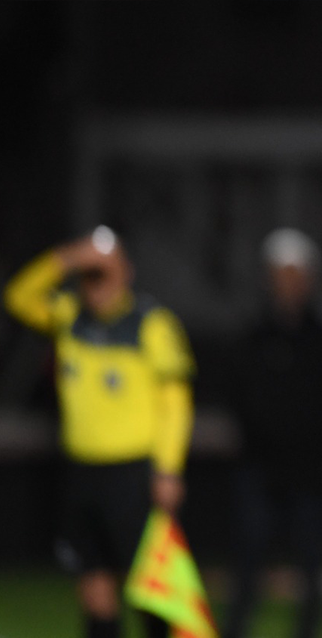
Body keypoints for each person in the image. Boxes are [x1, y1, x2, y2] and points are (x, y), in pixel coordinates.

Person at [3, 226, 196, 638]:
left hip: (134, 475)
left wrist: (168, 469)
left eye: (105, 274)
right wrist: (68, 257)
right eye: (89, 276)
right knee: (93, 583)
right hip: (82, 473)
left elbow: (176, 403)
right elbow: (18, 297)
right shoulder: (69, 316)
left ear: (126, 272)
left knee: (152, 589)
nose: (97, 287)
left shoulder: (150, 324)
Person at [222, 228, 322, 638]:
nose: (289, 284)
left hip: (312, 470)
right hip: (259, 466)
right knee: (247, 563)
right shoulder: (252, 336)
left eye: (296, 274)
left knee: (313, 566)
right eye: (281, 275)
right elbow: (237, 398)